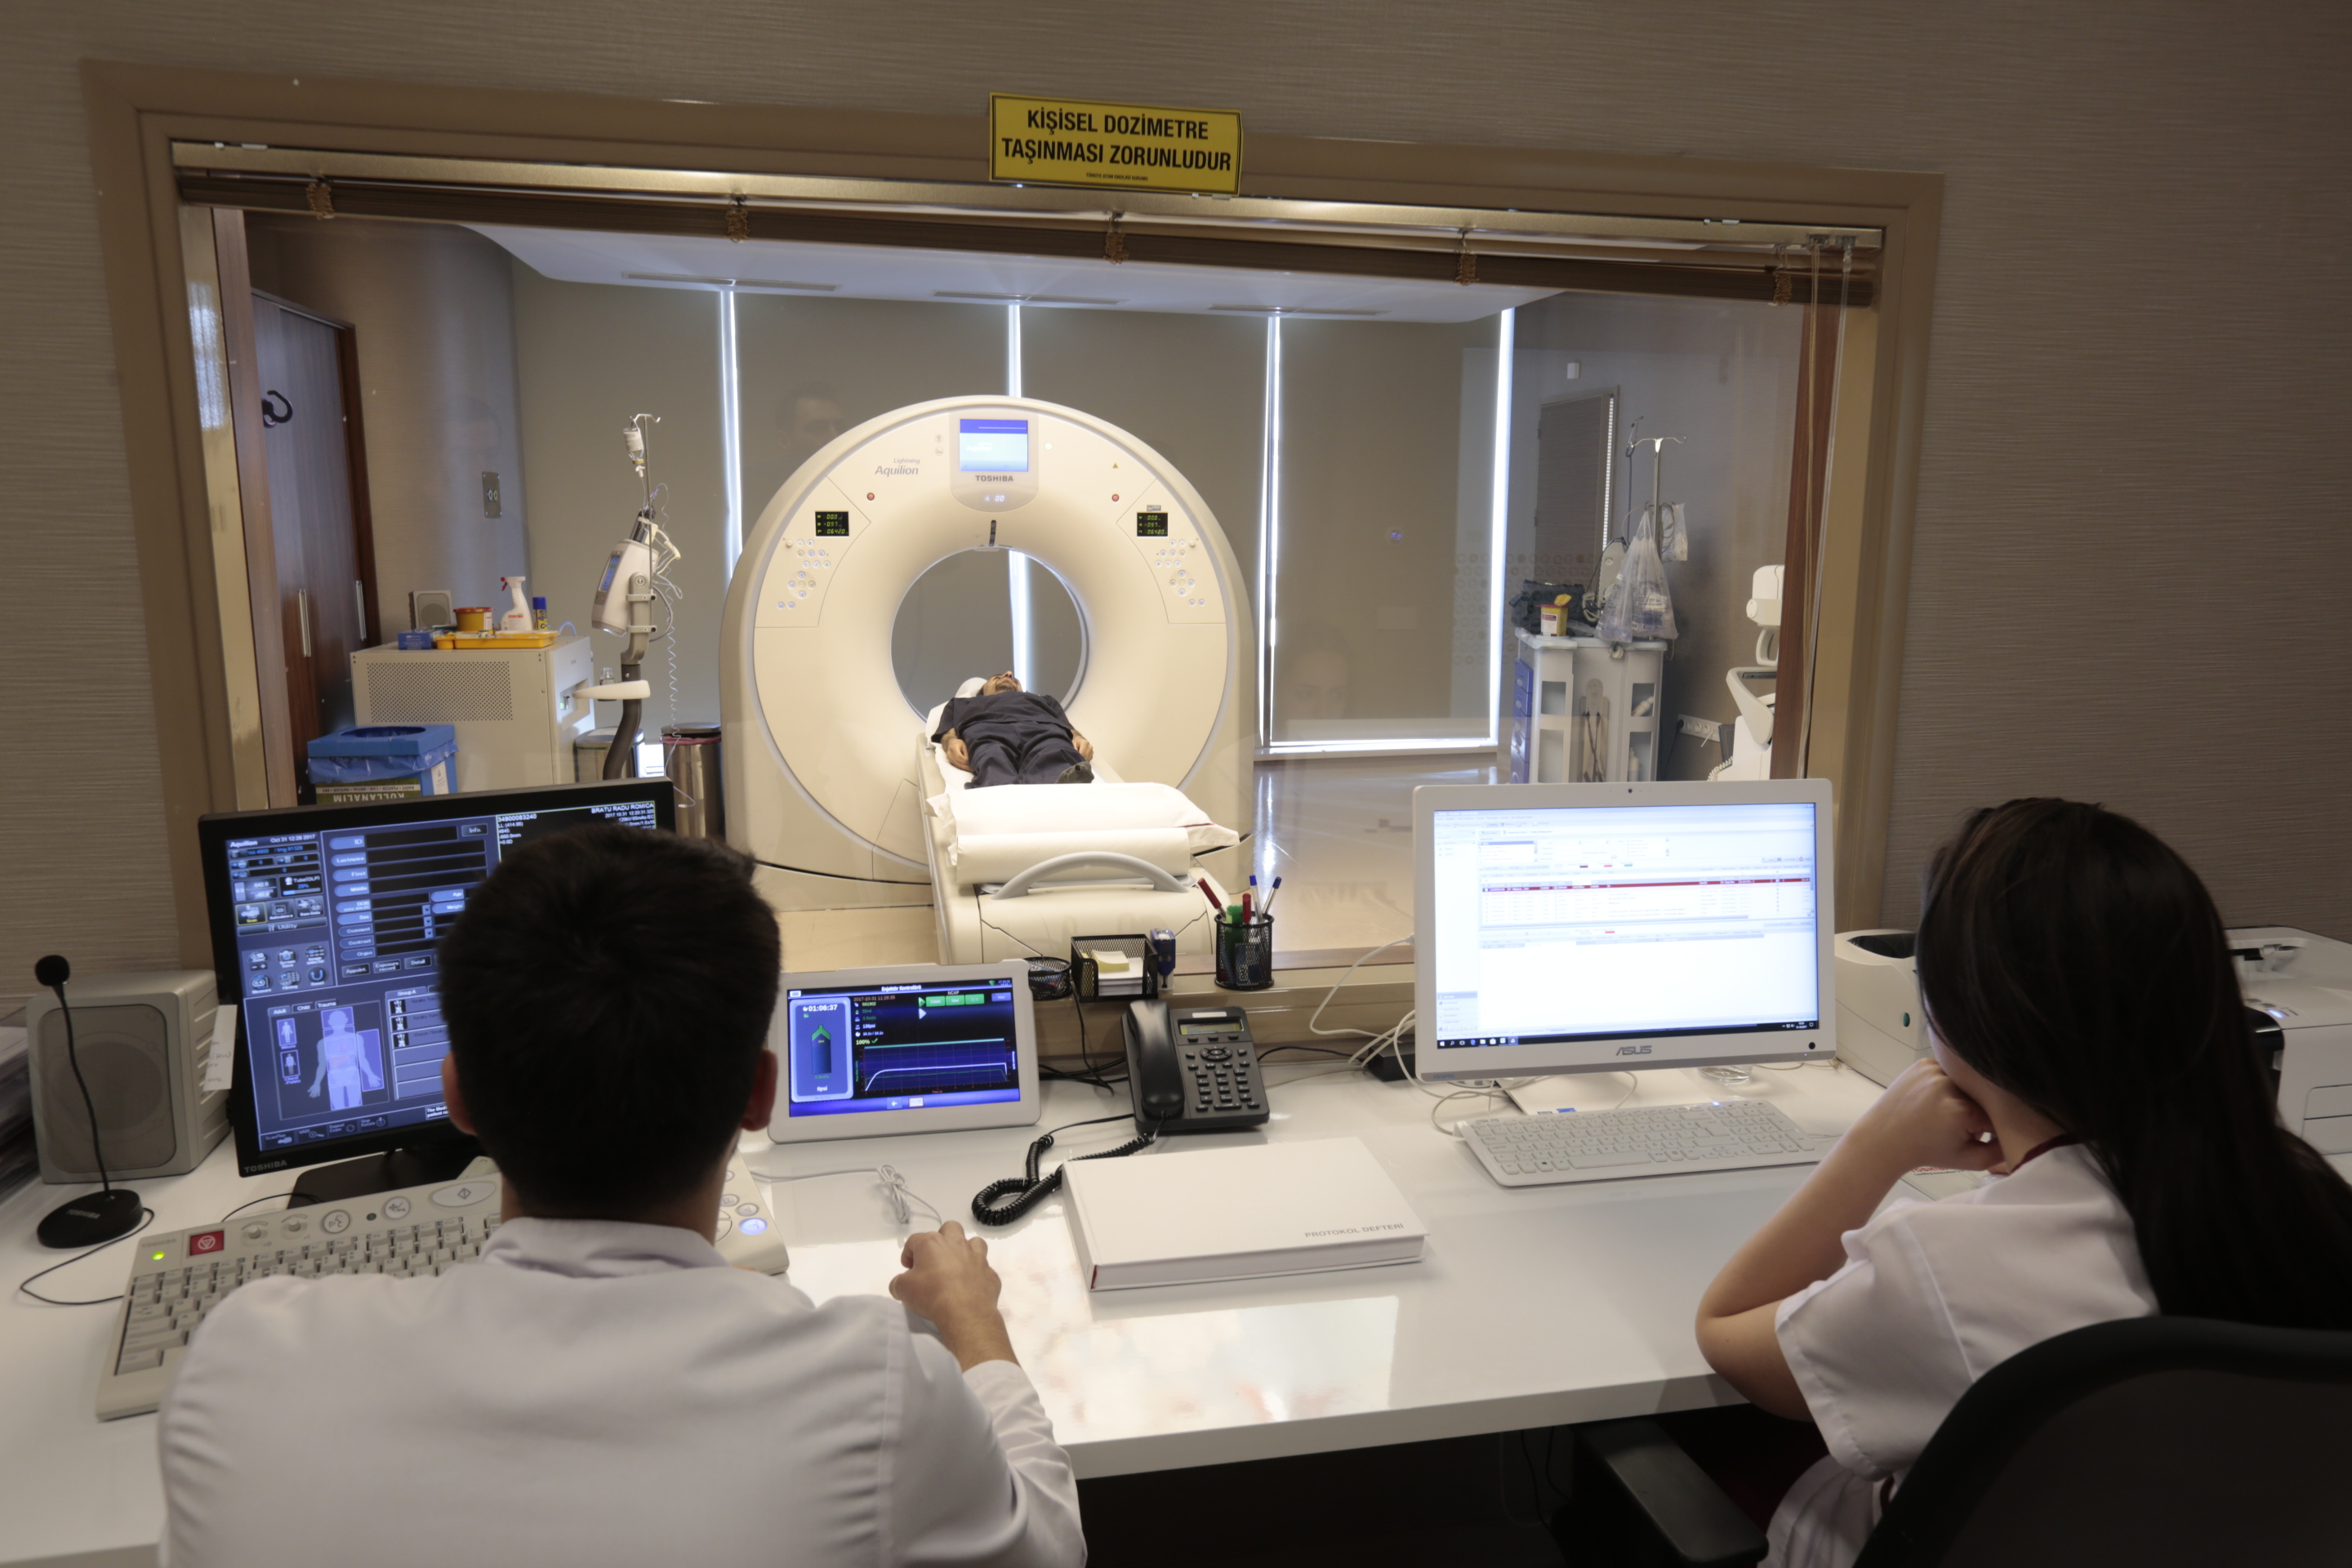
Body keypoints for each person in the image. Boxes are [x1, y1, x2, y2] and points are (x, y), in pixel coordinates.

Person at [159, 826, 1085, 1568]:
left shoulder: (246, 1367)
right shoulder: (877, 1392)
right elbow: (1048, 1545)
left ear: (459, 1099)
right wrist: (976, 1327)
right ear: (759, 1096)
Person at [1694, 798, 2352, 1568]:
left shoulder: (1946, 1265)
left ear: (1953, 1015)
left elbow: (1728, 1334)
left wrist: (1873, 1147)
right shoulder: (2309, 1206)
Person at [933, 671, 1096, 786]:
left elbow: (1069, 730)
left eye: (1015, 680)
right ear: (982, 692)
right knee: (992, 757)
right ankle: (1002, 795)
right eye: (998, 677)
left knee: (1055, 752)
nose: (1009, 674)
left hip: (1044, 731)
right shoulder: (961, 703)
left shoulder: (1045, 701)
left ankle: (1062, 791)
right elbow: (948, 733)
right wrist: (951, 743)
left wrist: (1079, 738)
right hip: (987, 732)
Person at [305, 1007, 381, 1109]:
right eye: (335, 1020)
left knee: (356, 1107)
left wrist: (370, 1075)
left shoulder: (356, 1038)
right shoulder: (323, 1043)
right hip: (335, 1077)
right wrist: (317, 1083)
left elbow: (362, 1059)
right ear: (330, 1022)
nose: (338, 1022)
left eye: (340, 1019)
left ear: (346, 1020)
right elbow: (322, 1065)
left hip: (352, 1075)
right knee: (338, 1108)